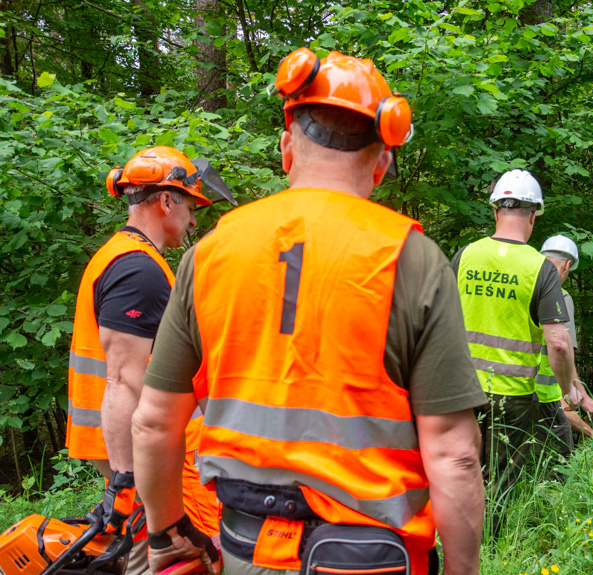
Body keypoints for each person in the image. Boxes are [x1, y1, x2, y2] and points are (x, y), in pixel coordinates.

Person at [131, 48, 486, 575]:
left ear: (286, 150)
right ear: (383, 163)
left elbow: (155, 423)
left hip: (245, 551)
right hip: (375, 559)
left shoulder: (212, 253)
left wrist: (166, 532)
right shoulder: (411, 259)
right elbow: (454, 456)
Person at [66, 146, 233, 573]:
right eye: (191, 206)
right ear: (165, 201)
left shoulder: (127, 258)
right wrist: (126, 481)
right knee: (185, 558)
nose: (194, 220)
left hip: (137, 453)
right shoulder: (137, 269)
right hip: (146, 457)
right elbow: (124, 380)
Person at [450, 171, 578, 521]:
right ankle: (489, 552)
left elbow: (439, 322)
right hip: (514, 397)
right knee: (499, 482)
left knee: (459, 470)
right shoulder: (540, 269)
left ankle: (449, 540)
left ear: (495, 211)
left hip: (462, 389)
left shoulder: (465, 256)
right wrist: (567, 389)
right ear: (533, 216)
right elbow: (559, 343)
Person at [533, 235, 593, 459]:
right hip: (546, 396)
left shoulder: (522, 288)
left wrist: (582, 396)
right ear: (568, 265)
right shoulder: (561, 297)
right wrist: (573, 393)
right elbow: (563, 350)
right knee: (559, 462)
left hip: (509, 391)